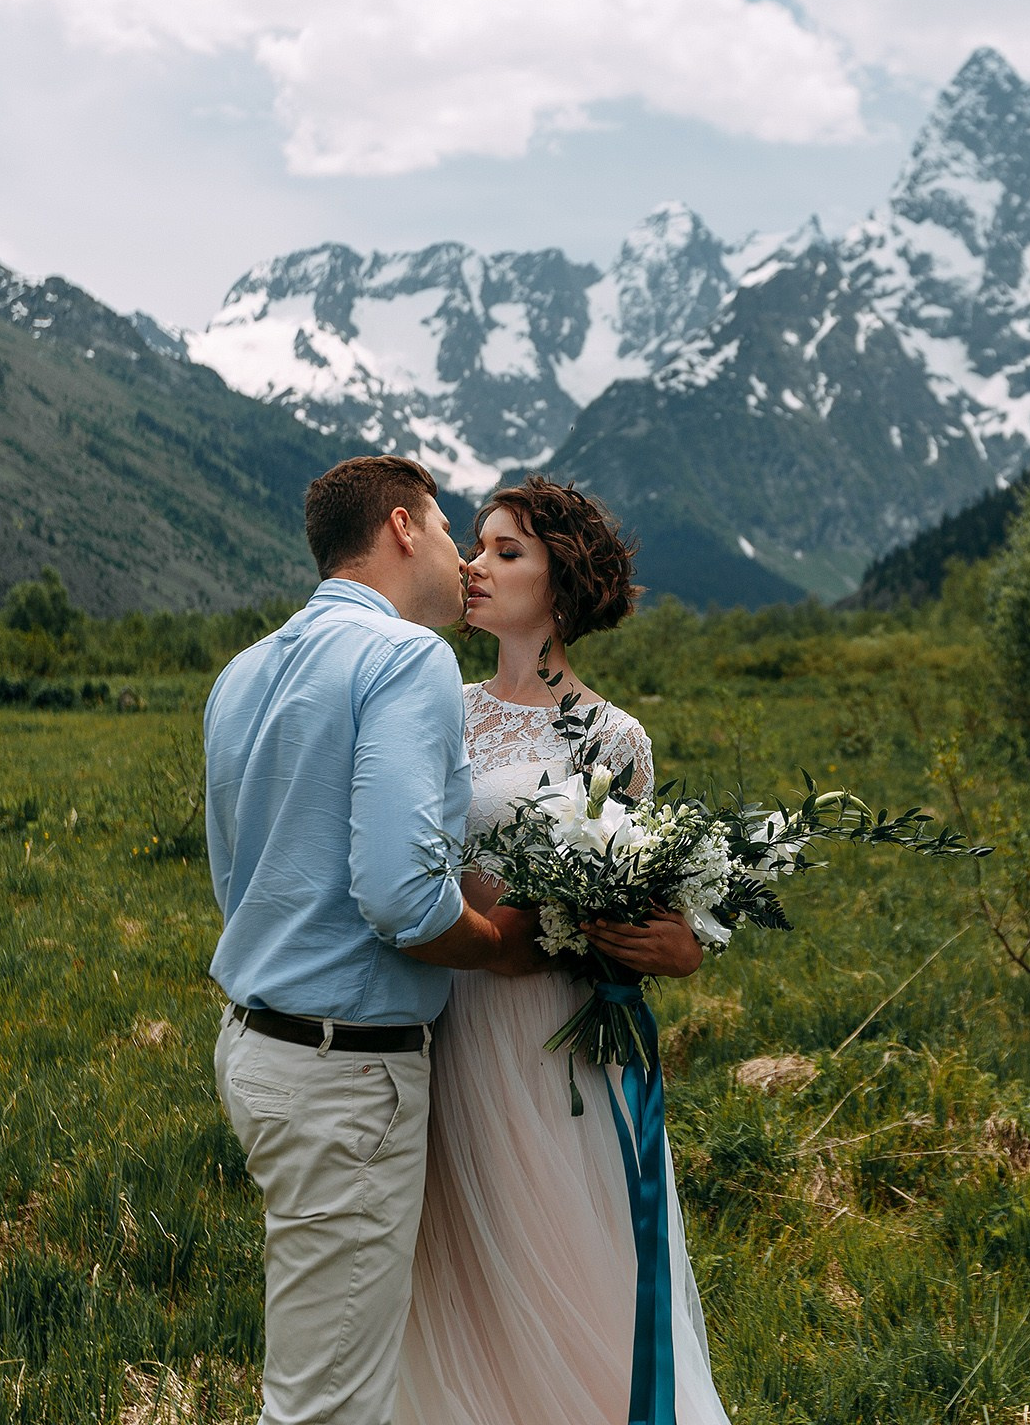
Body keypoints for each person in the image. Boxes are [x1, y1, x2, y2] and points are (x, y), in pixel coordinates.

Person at [204, 454, 535, 1425]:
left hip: (257, 1047)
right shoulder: (406, 659)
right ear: (400, 526)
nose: (459, 555)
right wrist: (499, 943)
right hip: (344, 1074)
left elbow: (238, 873)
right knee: (327, 1408)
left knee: (337, 1376)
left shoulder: (242, 671)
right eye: (447, 528)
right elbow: (401, 897)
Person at [398, 475, 731, 1424]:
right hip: (448, 1013)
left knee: (563, 1255)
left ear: (562, 581)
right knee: (453, 1271)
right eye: (476, 545)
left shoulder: (614, 738)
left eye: (507, 552)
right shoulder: (443, 707)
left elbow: (656, 905)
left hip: (554, 1038)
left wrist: (681, 948)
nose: (476, 565)